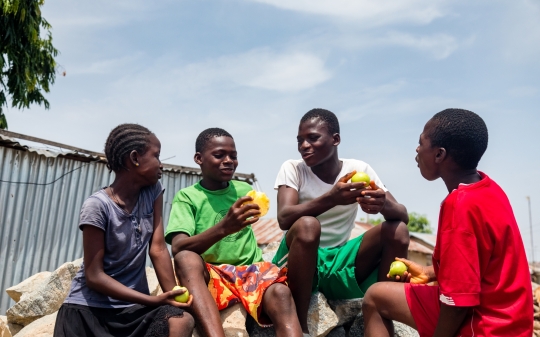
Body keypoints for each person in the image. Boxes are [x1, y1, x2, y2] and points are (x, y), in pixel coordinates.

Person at [362, 109, 534, 337]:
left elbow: (459, 302)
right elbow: (480, 264)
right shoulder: (490, 189)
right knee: (380, 294)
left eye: (421, 142)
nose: (416, 149)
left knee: (374, 298)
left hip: (485, 324)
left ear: (439, 154)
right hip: (514, 322)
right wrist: (429, 273)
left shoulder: (460, 205)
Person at [272, 108, 410, 334]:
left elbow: (402, 215)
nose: (304, 145)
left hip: (339, 261)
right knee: (308, 225)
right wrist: (331, 198)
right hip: (301, 261)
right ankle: (301, 326)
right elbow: (284, 218)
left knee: (398, 231)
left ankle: (382, 316)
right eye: (300, 140)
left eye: (313, 138)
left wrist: (382, 204)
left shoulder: (358, 170)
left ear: (335, 139)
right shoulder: (293, 169)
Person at [54, 124, 194, 337]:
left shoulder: (152, 191)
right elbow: (94, 275)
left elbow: (157, 249)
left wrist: (173, 295)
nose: (161, 164)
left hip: (131, 311)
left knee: (181, 320)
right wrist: (150, 300)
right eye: (156, 156)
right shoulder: (97, 206)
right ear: (135, 158)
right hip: (87, 313)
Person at [165, 128, 304, 337]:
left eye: (234, 155)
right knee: (186, 259)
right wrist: (224, 228)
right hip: (213, 276)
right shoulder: (188, 197)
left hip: (251, 273)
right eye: (219, 155)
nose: (229, 160)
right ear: (199, 158)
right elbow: (178, 247)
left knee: (281, 293)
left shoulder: (244, 190)